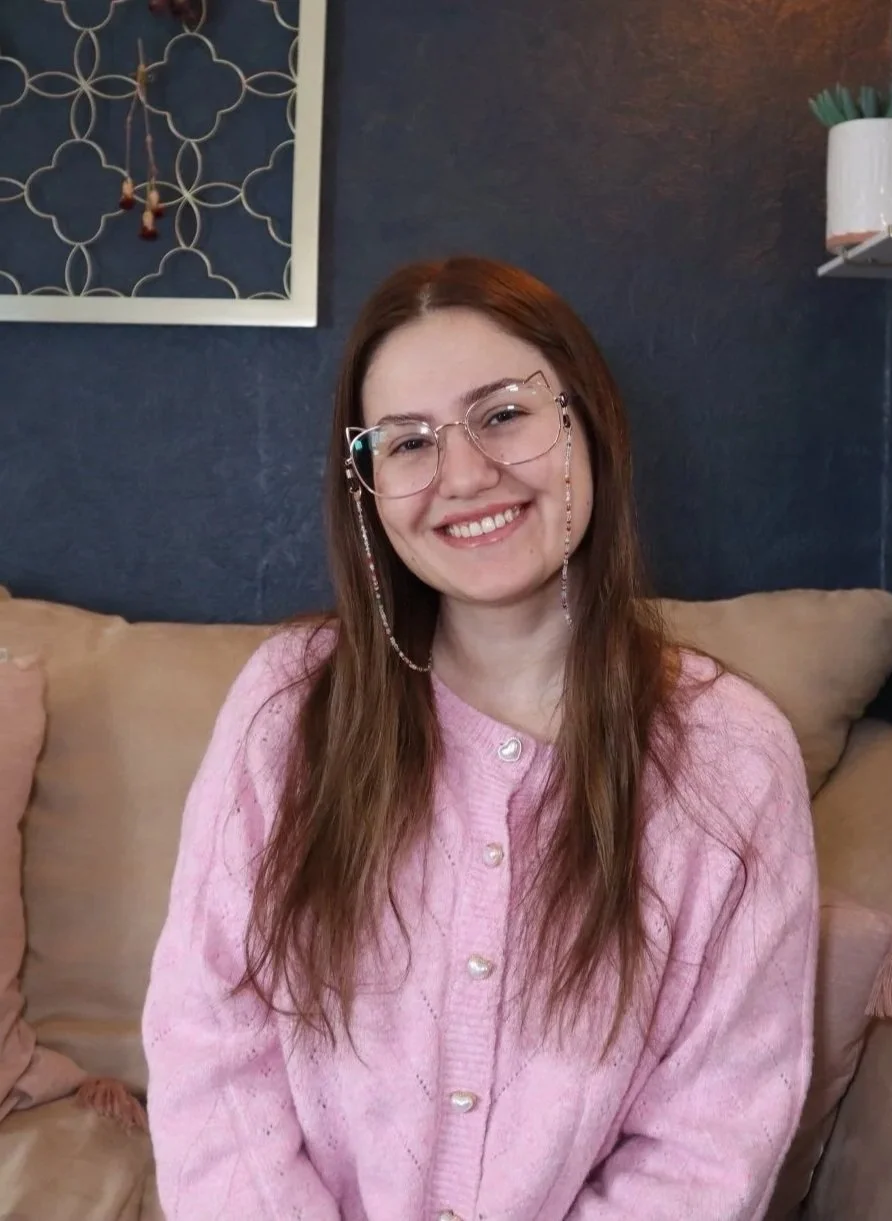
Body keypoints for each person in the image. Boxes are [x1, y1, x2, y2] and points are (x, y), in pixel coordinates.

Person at [142, 256, 818, 1221]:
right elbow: (208, 1045)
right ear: (367, 484)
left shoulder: (733, 754)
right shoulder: (285, 707)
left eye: (503, 414)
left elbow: (714, 1137)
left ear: (587, 422)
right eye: (407, 442)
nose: (462, 475)